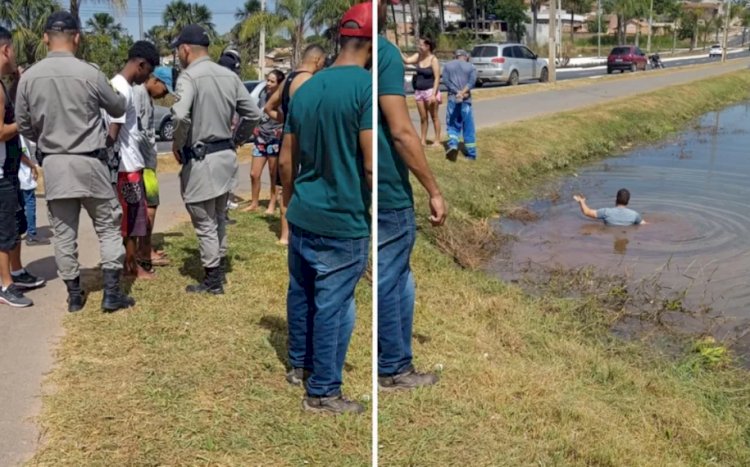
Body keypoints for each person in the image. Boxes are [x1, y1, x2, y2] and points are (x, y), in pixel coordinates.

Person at [279, 2, 372, 414]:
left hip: (303, 213)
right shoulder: (364, 87)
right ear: (370, 43)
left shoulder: (303, 88)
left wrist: (288, 206)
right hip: (342, 219)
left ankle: (298, 364)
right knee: (334, 304)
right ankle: (323, 392)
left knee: (301, 293)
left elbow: (286, 161)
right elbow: (370, 162)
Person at [15, 11, 133, 313]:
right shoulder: (90, 73)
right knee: (107, 227)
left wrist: (43, 140)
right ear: (77, 37)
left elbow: (24, 124)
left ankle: (75, 296)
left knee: (64, 234)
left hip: (54, 165)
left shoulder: (28, 77)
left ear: (44, 38)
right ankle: (111, 293)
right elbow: (118, 105)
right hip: (90, 162)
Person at [377, 0, 447, 390]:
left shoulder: (344, 55)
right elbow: (402, 132)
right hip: (388, 188)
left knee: (397, 276)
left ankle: (396, 359)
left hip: (357, 187)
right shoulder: (384, 53)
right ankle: (393, 368)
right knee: (393, 277)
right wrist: (433, 190)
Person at [170, 24, 261, 294]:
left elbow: (180, 115)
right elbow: (254, 114)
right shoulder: (229, 75)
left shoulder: (189, 77)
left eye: (178, 50)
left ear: (185, 49)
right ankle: (217, 269)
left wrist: (177, 144)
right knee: (219, 215)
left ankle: (212, 280)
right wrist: (237, 140)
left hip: (200, 159)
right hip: (225, 157)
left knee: (204, 221)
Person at [0, 27, 47, 308]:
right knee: (4, 230)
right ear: (5, 50)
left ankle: (15, 272)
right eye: (13, 50)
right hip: (2, 172)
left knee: (15, 223)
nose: (15, 55)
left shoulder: (4, 84)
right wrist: (26, 122)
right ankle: (5, 284)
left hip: (11, 167)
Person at [106, 41, 161, 280]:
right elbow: (113, 130)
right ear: (141, 64)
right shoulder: (121, 88)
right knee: (129, 221)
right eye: (148, 71)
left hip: (131, 164)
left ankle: (131, 264)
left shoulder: (122, 85)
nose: (147, 77)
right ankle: (131, 267)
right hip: (125, 167)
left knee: (133, 219)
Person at [264, 44, 326, 245]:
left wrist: (286, 120)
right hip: (305, 142)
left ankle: (285, 235)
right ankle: (307, 230)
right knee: (307, 186)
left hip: (286, 140)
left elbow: (268, 107)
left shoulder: (288, 78)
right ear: (317, 60)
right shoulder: (311, 81)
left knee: (286, 188)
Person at [132, 66, 174, 270]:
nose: (164, 94)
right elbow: (137, 133)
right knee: (149, 206)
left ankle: (145, 247)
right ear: (156, 81)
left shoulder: (145, 97)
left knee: (150, 206)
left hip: (147, 163)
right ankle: (143, 251)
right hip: (142, 165)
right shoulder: (138, 94)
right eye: (165, 89)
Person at [246, 69, 285, 214]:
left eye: (272, 81)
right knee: (254, 173)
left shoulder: (282, 98)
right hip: (260, 138)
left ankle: (272, 204)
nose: (268, 83)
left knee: (273, 174)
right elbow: (258, 112)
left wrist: (279, 130)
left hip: (275, 138)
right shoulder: (263, 95)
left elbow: (283, 117)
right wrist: (255, 127)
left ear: (279, 84)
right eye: (267, 80)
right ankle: (254, 203)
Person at [402, 37, 442, 146]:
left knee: (434, 116)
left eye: (421, 45)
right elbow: (406, 60)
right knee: (423, 117)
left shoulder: (433, 59)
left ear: (427, 46)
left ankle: (437, 140)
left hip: (430, 91)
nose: (419, 46)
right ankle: (423, 140)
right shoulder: (418, 56)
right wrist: (396, 49)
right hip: (419, 91)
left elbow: (437, 78)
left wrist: (433, 95)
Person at [443, 49, 477, 160]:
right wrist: (463, 92)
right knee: (468, 126)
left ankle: (453, 144)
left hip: (453, 98)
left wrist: (457, 92)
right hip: (466, 99)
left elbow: (446, 81)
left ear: (455, 56)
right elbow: (472, 82)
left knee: (452, 123)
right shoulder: (471, 67)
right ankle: (471, 154)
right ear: (465, 56)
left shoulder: (447, 66)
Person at [18, 136, 49, 246]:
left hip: (14, 177)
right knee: (29, 204)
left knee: (18, 207)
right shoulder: (17, 135)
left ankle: (17, 232)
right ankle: (31, 234)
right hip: (23, 175)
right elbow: (20, 153)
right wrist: (32, 166)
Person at [574, 189, 647, 226]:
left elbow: (587, 212)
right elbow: (644, 224)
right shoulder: (634, 215)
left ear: (616, 199)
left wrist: (582, 201)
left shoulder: (606, 212)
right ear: (628, 201)